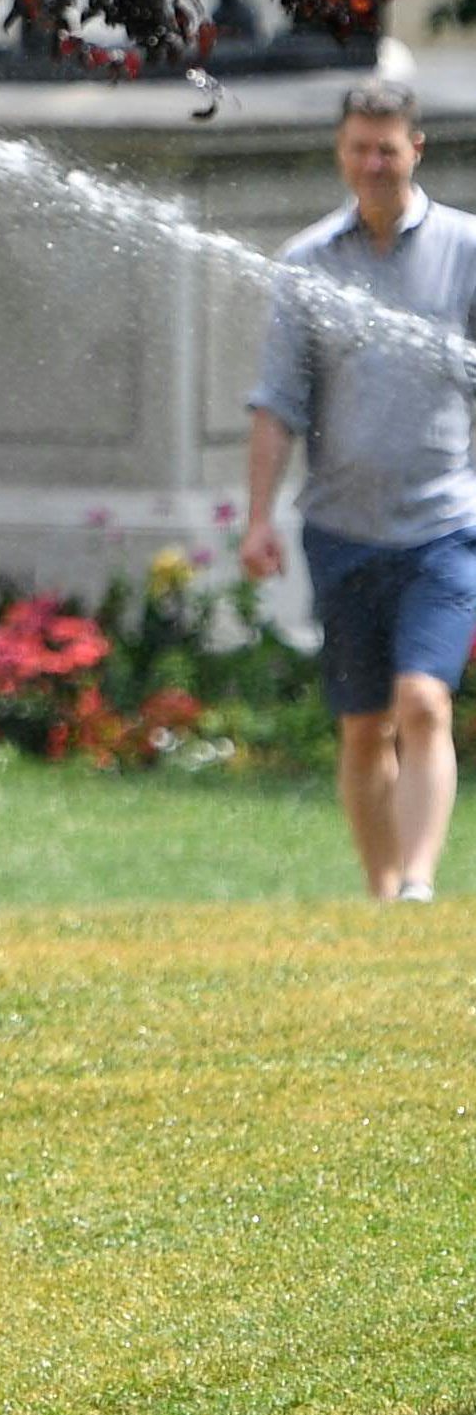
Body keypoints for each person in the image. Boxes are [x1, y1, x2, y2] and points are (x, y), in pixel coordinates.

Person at [242, 79, 476, 900]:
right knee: (362, 724)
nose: (372, 163)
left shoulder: (466, 248)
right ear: (340, 152)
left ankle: (416, 881)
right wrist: (255, 518)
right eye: (357, 148)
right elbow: (277, 403)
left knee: (422, 701)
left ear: (417, 148)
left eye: (387, 147)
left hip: (444, 527)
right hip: (338, 527)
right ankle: (382, 892)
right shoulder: (305, 262)